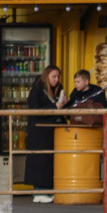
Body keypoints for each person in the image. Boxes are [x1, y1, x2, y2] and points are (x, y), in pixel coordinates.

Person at [24, 65, 66, 200]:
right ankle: (40, 192)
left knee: (49, 161)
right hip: (38, 132)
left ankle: (47, 191)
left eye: (58, 76)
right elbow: (35, 109)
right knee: (41, 161)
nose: (56, 79)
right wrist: (55, 106)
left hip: (50, 131)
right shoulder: (37, 89)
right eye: (54, 77)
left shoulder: (58, 89)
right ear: (46, 76)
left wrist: (65, 104)